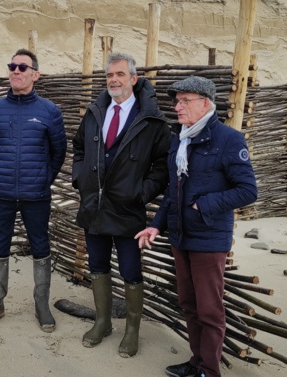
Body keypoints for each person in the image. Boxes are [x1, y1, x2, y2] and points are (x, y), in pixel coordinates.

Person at [134, 76, 257, 377]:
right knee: (189, 305)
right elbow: (173, 191)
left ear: (205, 103)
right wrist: (156, 227)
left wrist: (204, 204)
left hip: (208, 239)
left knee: (210, 312)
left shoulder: (229, 139)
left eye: (184, 101)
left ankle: (209, 372)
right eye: (177, 101)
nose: (177, 107)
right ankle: (196, 363)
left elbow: (248, 191)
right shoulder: (181, 138)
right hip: (180, 237)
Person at [72, 52, 171, 357]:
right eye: (109, 76)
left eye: (120, 75)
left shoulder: (152, 120)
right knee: (98, 266)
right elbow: (77, 148)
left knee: (130, 271)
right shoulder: (94, 113)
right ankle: (102, 323)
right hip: (94, 207)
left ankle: (132, 331)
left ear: (133, 79)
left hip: (128, 209)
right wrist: (81, 180)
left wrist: (141, 192)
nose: (113, 80)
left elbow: (163, 165)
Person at [0, 48, 67, 333]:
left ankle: (41, 305)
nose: (15, 71)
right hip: (1, 192)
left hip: (35, 194)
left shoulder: (50, 111)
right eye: (12, 66)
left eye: (22, 67)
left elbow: (58, 153)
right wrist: (3, 173)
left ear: (35, 75)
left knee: (40, 246)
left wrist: (40, 180)